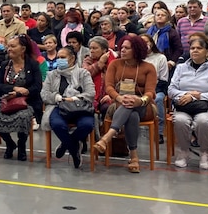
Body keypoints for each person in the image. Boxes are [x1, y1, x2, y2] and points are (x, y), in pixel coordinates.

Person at [94, 34, 157, 173]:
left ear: (136, 50)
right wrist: (119, 98)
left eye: (127, 48)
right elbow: (109, 87)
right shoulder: (115, 64)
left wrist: (140, 100)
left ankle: (107, 137)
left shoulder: (148, 67)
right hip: (118, 103)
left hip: (144, 105)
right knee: (130, 113)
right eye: (121, 47)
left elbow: (150, 92)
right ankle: (134, 156)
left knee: (132, 109)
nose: (122, 50)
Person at [168, 32, 208, 170]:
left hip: (206, 107)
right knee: (180, 120)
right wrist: (186, 94)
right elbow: (171, 90)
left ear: (207, 51)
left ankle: (204, 152)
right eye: (192, 48)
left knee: (202, 121)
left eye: (199, 48)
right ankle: (184, 151)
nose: (195, 51)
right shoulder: (180, 68)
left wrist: (195, 96)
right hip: (183, 106)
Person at [0, 35, 43, 161]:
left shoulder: (33, 65)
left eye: (13, 46)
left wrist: (22, 93)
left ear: (23, 49)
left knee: (24, 116)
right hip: (7, 101)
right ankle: (9, 144)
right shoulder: (5, 64)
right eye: (8, 46)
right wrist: (15, 89)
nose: (9, 49)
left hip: (27, 101)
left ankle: (22, 145)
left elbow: (37, 87)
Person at [41, 45, 95, 168]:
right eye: (58, 57)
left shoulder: (83, 73)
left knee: (86, 125)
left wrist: (73, 98)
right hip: (58, 106)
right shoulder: (51, 75)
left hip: (80, 107)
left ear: (72, 58)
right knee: (57, 125)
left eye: (63, 57)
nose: (59, 60)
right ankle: (74, 149)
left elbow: (90, 93)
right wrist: (57, 97)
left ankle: (67, 144)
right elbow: (44, 94)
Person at [140, 33, 169, 143]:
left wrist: (150, 91)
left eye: (146, 42)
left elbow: (163, 80)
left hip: (157, 88)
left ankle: (159, 132)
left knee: (158, 99)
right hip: (138, 89)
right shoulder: (135, 58)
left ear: (151, 44)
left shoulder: (160, 58)